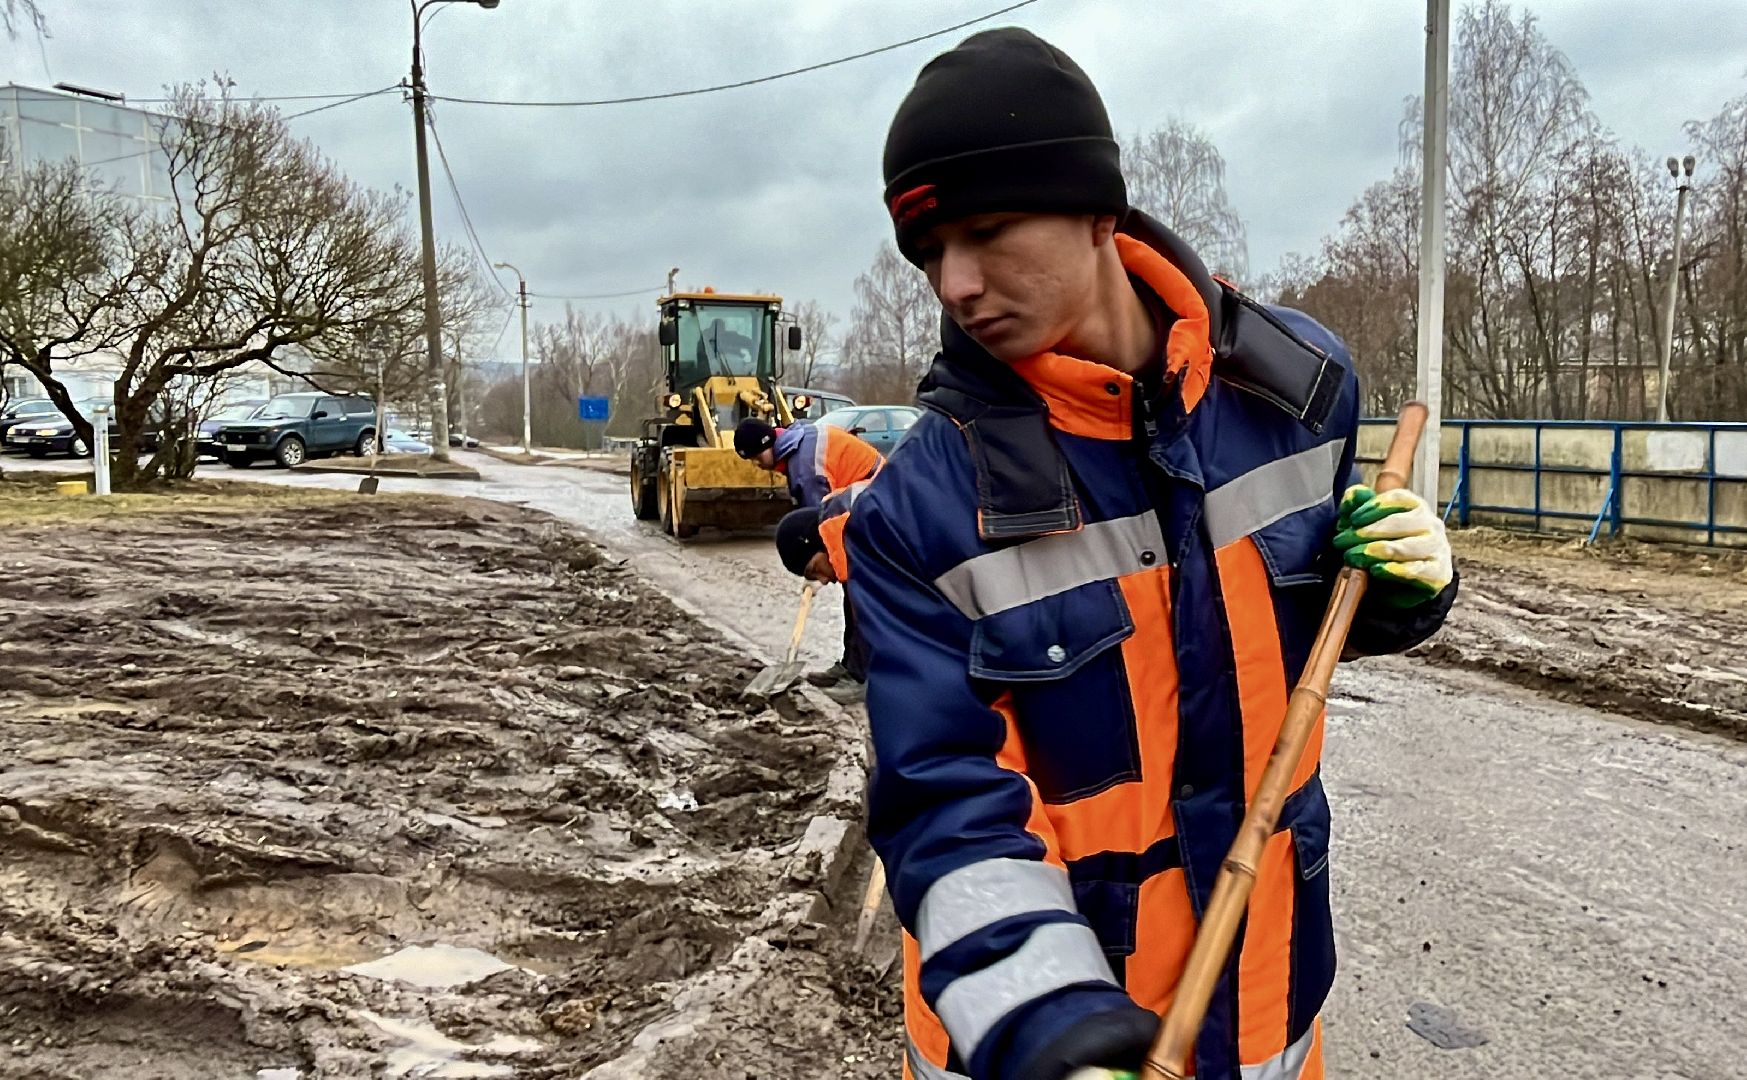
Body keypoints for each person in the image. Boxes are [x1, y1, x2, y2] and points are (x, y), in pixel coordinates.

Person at [843, 28, 1457, 1080]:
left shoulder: (1297, 389)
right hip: (1050, 1034)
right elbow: (941, 798)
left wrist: (1396, 591)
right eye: (928, 254)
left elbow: (1263, 634)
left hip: (1267, 1002)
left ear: (1096, 210)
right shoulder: (921, 513)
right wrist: (1052, 1028)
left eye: (984, 233)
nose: (953, 282)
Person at [739, 417, 883, 699]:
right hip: (865, 501)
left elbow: (818, 524)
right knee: (851, 590)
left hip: (873, 504)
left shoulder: (804, 467)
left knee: (858, 595)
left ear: (768, 443)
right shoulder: (796, 443)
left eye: (757, 456)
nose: (757, 464)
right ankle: (852, 666)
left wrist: (818, 564)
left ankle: (861, 677)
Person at [774, 482, 873, 705]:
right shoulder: (836, 522)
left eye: (814, 569)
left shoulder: (850, 531)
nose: (824, 579)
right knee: (854, 595)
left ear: (817, 545)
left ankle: (862, 677)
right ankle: (852, 668)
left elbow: (871, 612)